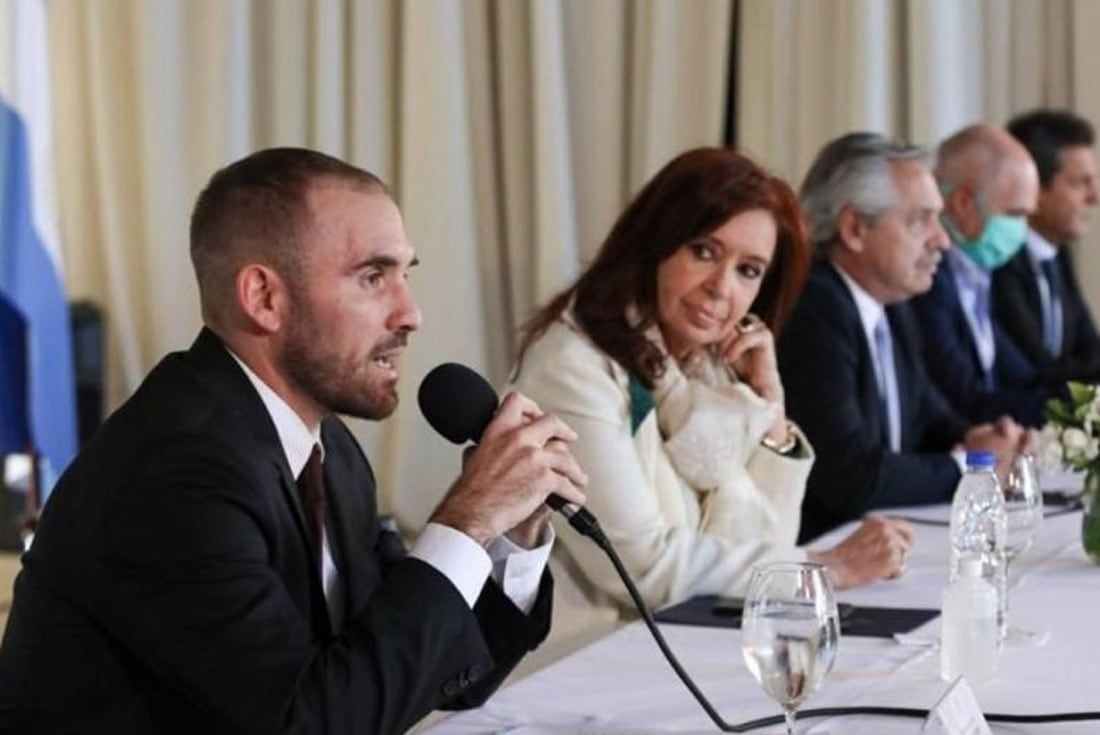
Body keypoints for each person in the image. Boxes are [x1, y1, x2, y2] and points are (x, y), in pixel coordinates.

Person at [0, 148, 588, 734]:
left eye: (406, 275)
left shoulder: (328, 451)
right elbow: (310, 724)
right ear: (264, 298)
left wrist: (510, 533)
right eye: (373, 276)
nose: (410, 314)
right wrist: (469, 519)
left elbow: (409, 670)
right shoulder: (174, 468)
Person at [510, 147, 913, 650]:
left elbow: (768, 541)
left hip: (690, 642)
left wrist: (772, 408)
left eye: (749, 270)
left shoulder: (708, 368)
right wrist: (821, 569)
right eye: (703, 251)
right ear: (655, 244)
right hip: (588, 661)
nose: (721, 288)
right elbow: (643, 567)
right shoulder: (571, 368)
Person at [780, 133, 1025, 541]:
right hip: (822, 561)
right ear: (855, 228)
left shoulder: (891, 303)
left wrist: (980, 438)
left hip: (882, 542)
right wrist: (974, 466)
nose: (943, 240)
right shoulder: (814, 310)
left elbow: (926, 416)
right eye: (919, 220)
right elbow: (850, 476)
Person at [911, 124, 1066, 427]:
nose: (1022, 231)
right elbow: (966, 398)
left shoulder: (979, 272)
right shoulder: (926, 283)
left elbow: (1023, 377)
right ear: (963, 203)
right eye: (1014, 214)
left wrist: (1085, 401)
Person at [995, 109, 1100, 382]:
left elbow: (1089, 348)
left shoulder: (1056, 250)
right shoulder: (1000, 259)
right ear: (1033, 189)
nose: (1094, 197)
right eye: (1079, 183)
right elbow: (1036, 370)